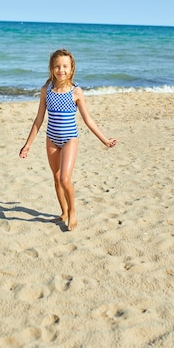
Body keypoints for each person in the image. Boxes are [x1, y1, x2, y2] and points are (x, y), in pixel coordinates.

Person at [19, 49, 117, 231]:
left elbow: (88, 119)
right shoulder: (46, 91)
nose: (60, 70)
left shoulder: (76, 92)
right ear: (51, 68)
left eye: (65, 66)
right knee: (56, 178)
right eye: (57, 66)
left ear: (71, 69)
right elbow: (39, 119)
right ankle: (63, 212)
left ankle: (72, 212)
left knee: (65, 179)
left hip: (70, 138)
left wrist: (104, 139)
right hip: (51, 139)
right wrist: (28, 144)